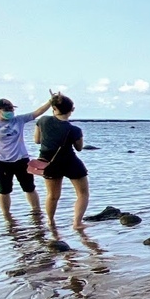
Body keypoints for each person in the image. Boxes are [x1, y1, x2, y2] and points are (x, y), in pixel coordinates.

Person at [0, 93, 56, 221]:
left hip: (21, 159)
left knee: (29, 187)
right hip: (1, 161)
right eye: (6, 109)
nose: (10, 111)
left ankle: (37, 213)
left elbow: (37, 112)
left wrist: (51, 101)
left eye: (12, 109)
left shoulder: (19, 120)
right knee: (4, 190)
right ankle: (7, 217)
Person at [34, 94, 89, 229]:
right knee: (82, 193)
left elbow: (37, 140)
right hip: (70, 162)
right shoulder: (74, 129)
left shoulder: (43, 120)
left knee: (52, 195)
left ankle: (51, 222)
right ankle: (77, 223)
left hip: (49, 162)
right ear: (72, 109)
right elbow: (79, 148)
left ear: (54, 108)